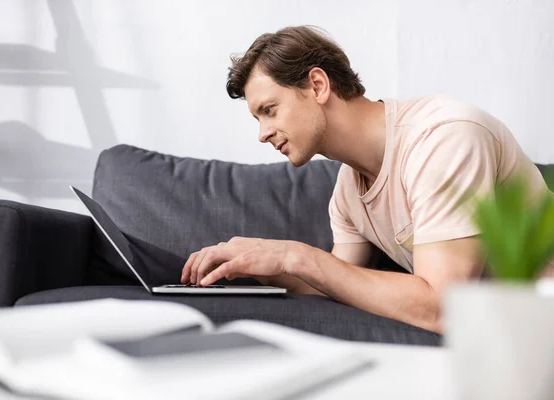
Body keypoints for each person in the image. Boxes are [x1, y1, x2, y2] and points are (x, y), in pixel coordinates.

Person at [180, 25, 552, 334]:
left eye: (269, 110)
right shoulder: (348, 189)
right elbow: (334, 283)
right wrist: (263, 266)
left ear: (318, 85)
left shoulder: (443, 138)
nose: (263, 133)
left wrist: (296, 254)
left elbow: (443, 308)